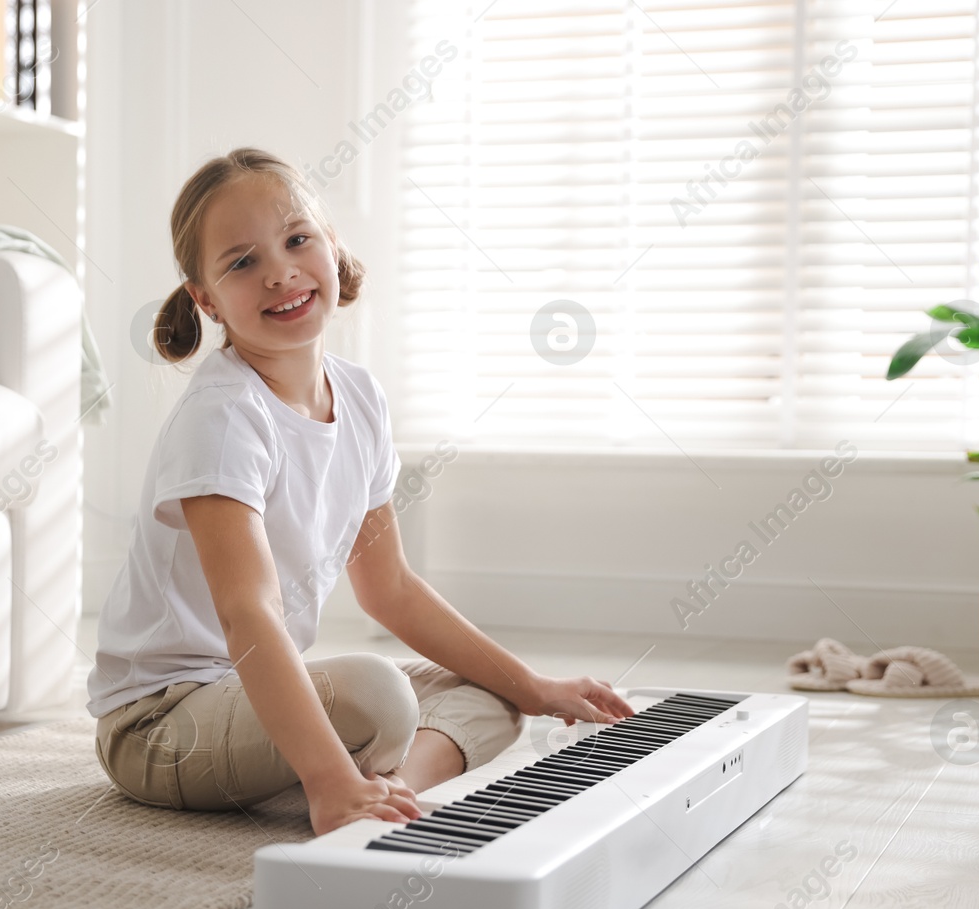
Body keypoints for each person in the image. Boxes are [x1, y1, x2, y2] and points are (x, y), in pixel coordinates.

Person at [87, 147, 634, 836]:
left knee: (493, 696)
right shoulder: (223, 417)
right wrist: (324, 774)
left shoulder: (361, 398)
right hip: (161, 724)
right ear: (208, 300)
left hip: (250, 695)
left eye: (296, 240)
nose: (280, 273)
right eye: (241, 263)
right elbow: (247, 612)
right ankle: (343, 783)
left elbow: (391, 589)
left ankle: (388, 794)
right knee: (379, 694)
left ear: (331, 247)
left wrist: (537, 686)